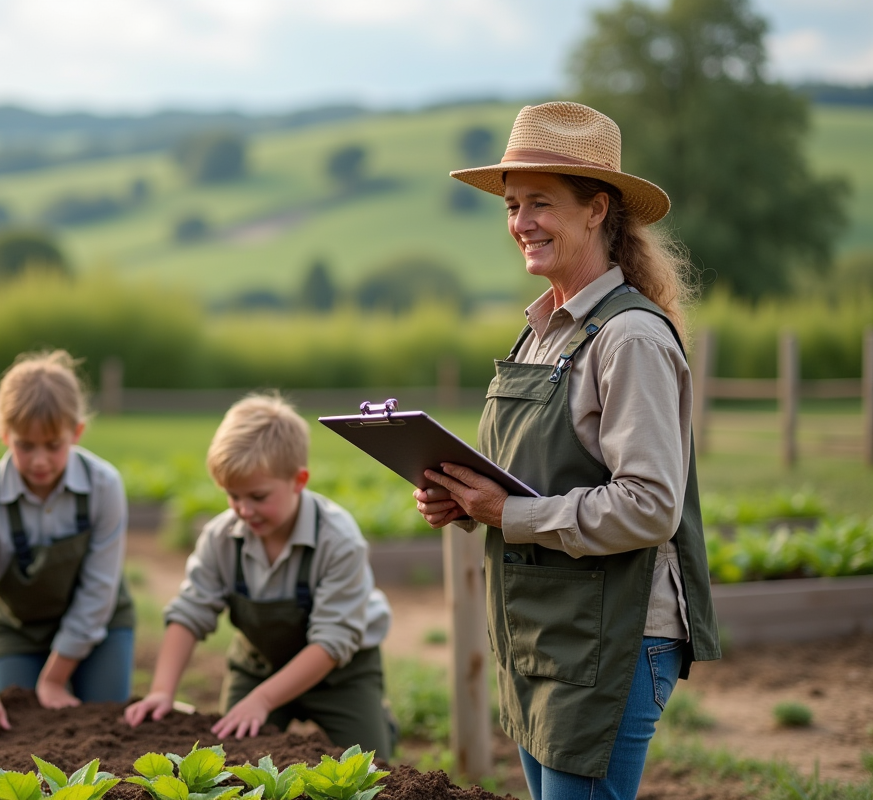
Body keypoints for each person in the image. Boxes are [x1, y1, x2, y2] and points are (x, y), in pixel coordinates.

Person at [413, 102, 721, 800]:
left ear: (596, 210)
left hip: (612, 637)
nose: (520, 222)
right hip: (544, 632)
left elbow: (648, 508)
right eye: (513, 205)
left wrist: (507, 514)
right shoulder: (542, 331)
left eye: (541, 203)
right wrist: (463, 500)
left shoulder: (630, 339)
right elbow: (535, 479)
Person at [124, 394, 394, 756]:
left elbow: (333, 641)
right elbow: (190, 613)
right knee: (232, 760)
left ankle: (379, 722)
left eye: (258, 496)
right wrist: (161, 691)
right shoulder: (221, 537)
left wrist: (262, 701)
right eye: (233, 496)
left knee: (369, 767)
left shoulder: (339, 539)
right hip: (257, 668)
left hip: (341, 674)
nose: (244, 510)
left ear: (299, 480)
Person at [0, 350, 134, 740]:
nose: (40, 460)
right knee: (14, 727)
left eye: (53, 445)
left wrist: (56, 678)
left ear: (75, 433)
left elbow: (98, 591)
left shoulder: (103, 487)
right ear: (6, 435)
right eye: (25, 445)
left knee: (105, 727)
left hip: (100, 624)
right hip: (17, 629)